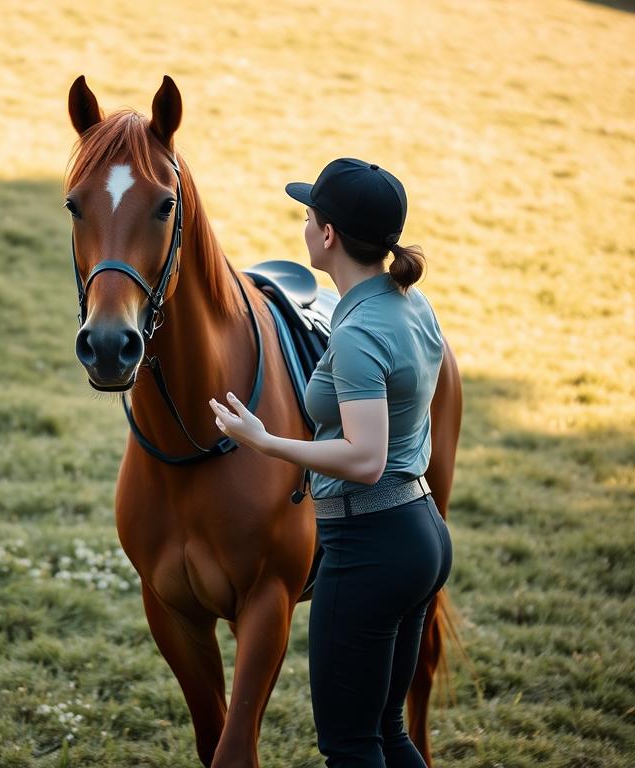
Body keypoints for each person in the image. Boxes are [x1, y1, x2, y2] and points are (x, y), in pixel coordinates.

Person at [208, 157, 453, 767]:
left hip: (370, 546)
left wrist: (266, 441)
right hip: (419, 531)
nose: (303, 225)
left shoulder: (358, 332)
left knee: (350, 745)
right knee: (386, 731)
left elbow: (365, 458)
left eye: (308, 215)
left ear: (327, 234)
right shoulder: (410, 302)